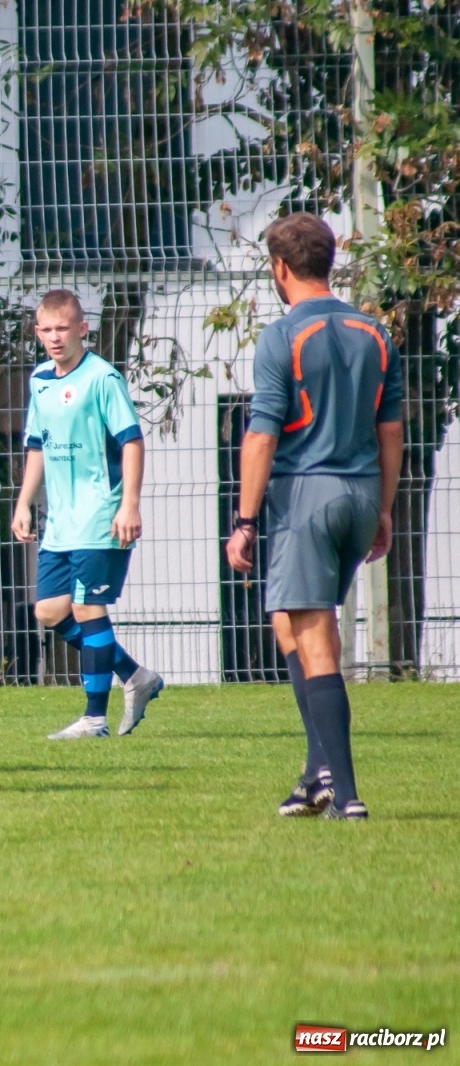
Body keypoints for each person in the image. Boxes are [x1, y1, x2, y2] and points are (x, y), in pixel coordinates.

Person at [225, 212, 402, 821]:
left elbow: (262, 436)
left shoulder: (282, 336)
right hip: (358, 496)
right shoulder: (375, 333)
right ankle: (314, 772)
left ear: (279, 267)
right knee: (289, 623)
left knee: (317, 637)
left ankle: (345, 795)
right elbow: (390, 430)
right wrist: (382, 509)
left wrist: (245, 520)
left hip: (307, 495)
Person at [12, 289, 163, 739]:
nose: (55, 338)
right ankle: (135, 675)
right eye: (47, 330)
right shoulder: (40, 379)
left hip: (101, 512)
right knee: (49, 611)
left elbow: (132, 441)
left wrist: (129, 504)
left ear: (82, 329)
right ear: (37, 333)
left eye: (64, 329)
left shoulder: (102, 378)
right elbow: (37, 445)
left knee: (85, 605)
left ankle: (94, 719)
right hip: (61, 519)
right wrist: (23, 502)